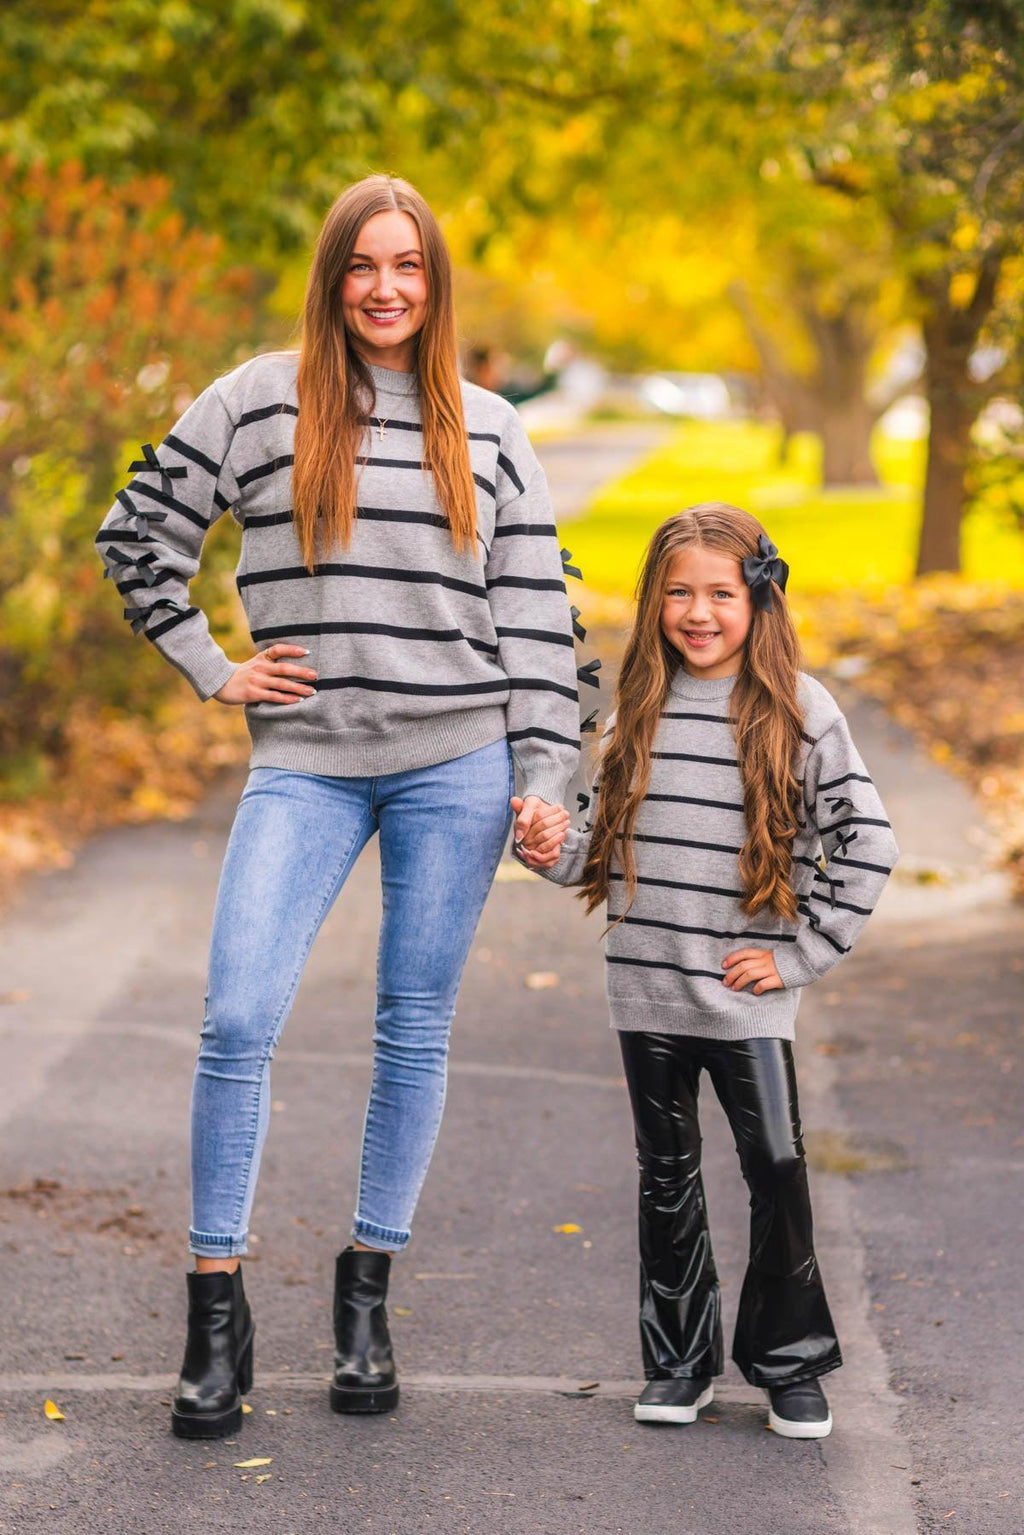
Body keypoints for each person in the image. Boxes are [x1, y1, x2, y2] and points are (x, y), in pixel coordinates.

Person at [96, 174, 582, 1439]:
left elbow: (536, 615)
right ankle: (216, 1310)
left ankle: (365, 1297)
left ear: (435, 283)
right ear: (332, 277)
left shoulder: (487, 426)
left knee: (412, 1025)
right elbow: (135, 530)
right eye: (364, 265)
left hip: (456, 761)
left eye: (408, 266)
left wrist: (544, 781)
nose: (385, 288)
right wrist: (214, 666)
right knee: (237, 1012)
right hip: (304, 759)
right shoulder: (256, 398)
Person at [516, 503, 898, 1439]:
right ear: (653, 603)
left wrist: (800, 953)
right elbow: (596, 853)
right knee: (667, 1173)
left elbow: (867, 843)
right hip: (644, 984)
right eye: (678, 592)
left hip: (742, 993)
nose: (698, 612)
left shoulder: (802, 711)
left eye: (720, 593)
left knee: (775, 1162)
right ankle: (679, 1361)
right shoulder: (633, 709)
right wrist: (545, 845)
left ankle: (788, 1359)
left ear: (758, 598)